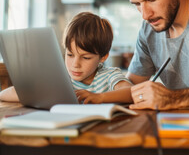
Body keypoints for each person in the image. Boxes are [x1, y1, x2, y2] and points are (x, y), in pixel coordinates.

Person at [0, 12, 133, 104]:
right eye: (70, 55)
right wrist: (38, 93)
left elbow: (130, 92)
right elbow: (5, 95)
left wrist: (100, 97)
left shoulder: (109, 76)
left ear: (103, 57)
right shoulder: (58, 79)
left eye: (86, 58)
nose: (75, 64)